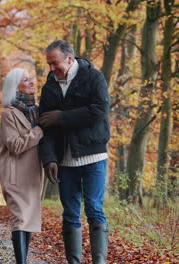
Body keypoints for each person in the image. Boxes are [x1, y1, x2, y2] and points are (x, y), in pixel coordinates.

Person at [38, 40, 110, 264]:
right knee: (70, 213)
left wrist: (61, 116)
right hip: (65, 161)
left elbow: (99, 111)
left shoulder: (93, 78)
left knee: (94, 209)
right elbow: (45, 127)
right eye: (48, 64)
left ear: (69, 59)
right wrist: (49, 158)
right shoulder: (49, 87)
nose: (51, 69)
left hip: (94, 157)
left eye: (55, 63)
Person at [0, 68, 43, 264]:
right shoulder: (8, 114)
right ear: (15, 87)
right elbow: (15, 145)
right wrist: (39, 131)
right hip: (14, 174)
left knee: (29, 220)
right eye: (26, 80)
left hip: (33, 174)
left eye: (30, 78)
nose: (31, 82)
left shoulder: (38, 110)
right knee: (20, 219)